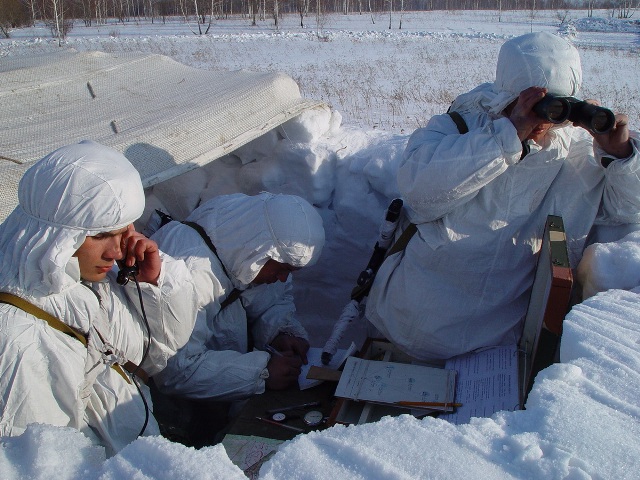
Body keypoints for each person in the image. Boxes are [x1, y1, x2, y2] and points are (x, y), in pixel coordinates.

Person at [365, 32, 640, 362]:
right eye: (535, 105)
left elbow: (624, 212)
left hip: (502, 343)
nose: (543, 120)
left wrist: (622, 158)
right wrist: (506, 136)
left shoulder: (580, 154)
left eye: (555, 109)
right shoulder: (459, 127)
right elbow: (420, 191)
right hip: (415, 324)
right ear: (507, 96)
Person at [0, 141, 198, 455]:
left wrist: (154, 284)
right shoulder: (20, 339)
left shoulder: (85, 279)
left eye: (124, 231)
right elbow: (47, 463)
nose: (119, 251)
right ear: (57, 234)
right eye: (102, 234)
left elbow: (156, 355)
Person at [149, 192, 325, 445]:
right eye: (283, 269)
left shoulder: (243, 241)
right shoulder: (186, 273)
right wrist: (262, 372)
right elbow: (175, 371)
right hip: (178, 412)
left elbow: (266, 297)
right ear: (260, 251)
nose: (284, 277)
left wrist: (280, 331)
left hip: (217, 397)